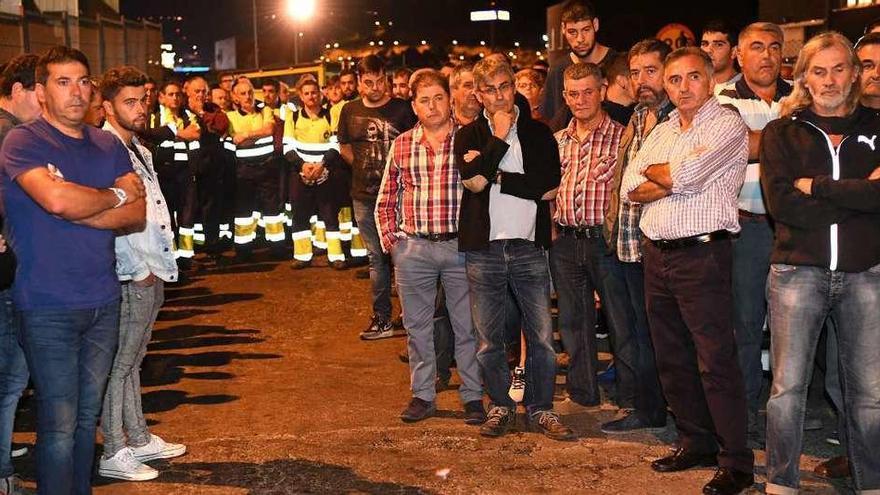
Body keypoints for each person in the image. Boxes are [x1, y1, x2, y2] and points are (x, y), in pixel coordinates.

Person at [0, 45, 146, 495]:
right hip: (47, 306)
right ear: (41, 92)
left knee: (87, 421)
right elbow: (57, 201)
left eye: (83, 81)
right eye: (62, 82)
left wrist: (89, 202)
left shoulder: (107, 143)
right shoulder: (24, 141)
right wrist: (111, 195)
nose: (76, 92)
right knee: (59, 424)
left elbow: (136, 214)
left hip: (103, 300)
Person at [621, 47, 753, 495]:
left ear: (710, 78)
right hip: (657, 255)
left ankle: (736, 460)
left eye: (692, 77)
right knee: (672, 356)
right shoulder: (664, 128)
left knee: (715, 360)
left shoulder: (727, 124)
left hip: (703, 256)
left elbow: (689, 175)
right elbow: (629, 185)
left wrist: (666, 177)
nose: (682, 88)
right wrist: (669, 177)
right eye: (674, 80)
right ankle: (694, 440)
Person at [761, 31, 880, 495]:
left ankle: (872, 481)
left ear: (854, 74)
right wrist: (861, 196)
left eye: (838, 69)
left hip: (866, 273)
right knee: (787, 389)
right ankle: (781, 481)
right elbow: (783, 205)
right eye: (818, 71)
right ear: (804, 78)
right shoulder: (781, 133)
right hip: (797, 272)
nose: (829, 80)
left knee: (870, 393)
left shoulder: (878, 125)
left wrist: (819, 187)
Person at [454, 57, 573, 441]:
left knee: (540, 337)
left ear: (514, 86)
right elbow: (472, 184)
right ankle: (502, 407)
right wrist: (499, 139)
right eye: (489, 89)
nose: (499, 95)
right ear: (478, 93)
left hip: (528, 247)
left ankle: (541, 408)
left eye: (504, 86)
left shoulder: (539, 133)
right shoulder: (468, 134)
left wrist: (496, 173)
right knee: (488, 340)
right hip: (484, 250)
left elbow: (548, 186)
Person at [375, 69, 485, 425]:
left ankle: (472, 396)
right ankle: (423, 395)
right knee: (418, 329)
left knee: (466, 327)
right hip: (414, 250)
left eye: (439, 98)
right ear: (414, 105)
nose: (433, 106)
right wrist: (394, 245)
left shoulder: (468, 138)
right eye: (424, 100)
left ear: (449, 100)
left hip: (459, 248)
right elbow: (386, 199)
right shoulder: (403, 144)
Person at [95, 66, 186, 482]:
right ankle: (114, 448)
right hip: (135, 271)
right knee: (121, 361)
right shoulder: (106, 149)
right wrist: (138, 269)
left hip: (153, 265)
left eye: (142, 100)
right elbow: (115, 217)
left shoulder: (138, 150)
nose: (140, 109)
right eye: (129, 102)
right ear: (107, 106)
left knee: (135, 359)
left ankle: (138, 435)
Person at [715, 21, 790, 448]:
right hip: (745, 228)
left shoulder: (801, 93)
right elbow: (736, 147)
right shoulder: (721, 98)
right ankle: (744, 416)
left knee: (790, 327)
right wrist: (789, 138)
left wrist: (762, 141)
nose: (766, 55)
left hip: (794, 229)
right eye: (756, 47)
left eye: (774, 47)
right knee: (743, 325)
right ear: (739, 55)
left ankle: (784, 416)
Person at [599, 38, 672, 435]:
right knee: (636, 333)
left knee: (658, 335)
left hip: (657, 246)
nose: (642, 80)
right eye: (635, 71)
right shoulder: (638, 116)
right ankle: (647, 407)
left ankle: (661, 410)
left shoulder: (674, 119)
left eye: (651, 70)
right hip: (626, 244)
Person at [550, 62, 624, 408]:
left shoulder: (622, 137)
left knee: (620, 320)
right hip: (565, 241)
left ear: (603, 91)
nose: (580, 100)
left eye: (588, 92)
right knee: (573, 322)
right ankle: (582, 392)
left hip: (604, 241)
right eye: (573, 94)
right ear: (565, 96)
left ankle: (631, 394)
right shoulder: (556, 142)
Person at [337, 55, 416, 340]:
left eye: (380, 81)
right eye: (368, 82)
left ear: (387, 78)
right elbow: (344, 146)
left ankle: (409, 319)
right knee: (376, 259)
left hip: (399, 195)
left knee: (403, 258)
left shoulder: (403, 110)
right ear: (359, 82)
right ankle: (382, 318)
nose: (374, 87)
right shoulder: (349, 110)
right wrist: (362, 167)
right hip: (363, 196)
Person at [0, 52, 40, 495]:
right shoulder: (8, 134)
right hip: (7, 273)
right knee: (10, 376)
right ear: (18, 91)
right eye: (39, 93)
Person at [284, 76, 347, 269]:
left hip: (325, 173)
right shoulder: (293, 117)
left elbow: (336, 145)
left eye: (314, 92)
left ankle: (336, 256)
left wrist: (322, 166)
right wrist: (302, 167)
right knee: (300, 215)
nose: (311, 96)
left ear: (320, 94)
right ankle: (302, 256)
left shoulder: (330, 116)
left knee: (329, 214)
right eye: (307, 93)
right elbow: (287, 147)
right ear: (301, 97)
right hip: (300, 173)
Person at [139, 80, 201, 264]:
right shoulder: (153, 116)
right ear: (162, 97)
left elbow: (195, 133)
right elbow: (148, 134)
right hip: (163, 173)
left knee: (187, 216)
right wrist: (179, 132)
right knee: (166, 216)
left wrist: (167, 133)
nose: (175, 98)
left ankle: (186, 257)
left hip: (186, 173)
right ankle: (171, 257)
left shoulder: (188, 115)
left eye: (177, 94)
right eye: (171, 94)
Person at [225, 79, 286, 259]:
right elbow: (232, 139)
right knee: (244, 212)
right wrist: (253, 135)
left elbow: (268, 130)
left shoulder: (265, 110)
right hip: (244, 171)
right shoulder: (230, 117)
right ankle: (244, 251)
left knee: (272, 211)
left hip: (267, 168)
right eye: (242, 93)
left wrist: (245, 135)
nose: (248, 97)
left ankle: (277, 248)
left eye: (250, 92)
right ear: (234, 97)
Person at [542, 0, 616, 131]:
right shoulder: (557, 70)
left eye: (586, 30)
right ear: (563, 29)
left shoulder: (617, 63)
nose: (580, 39)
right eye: (572, 32)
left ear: (595, 25)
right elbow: (550, 120)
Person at [700, 20, 741, 91]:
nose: (708, 50)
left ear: (733, 52)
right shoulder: (696, 87)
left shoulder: (747, 88)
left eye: (718, 45)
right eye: (705, 44)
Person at [601, 53, 636, 126]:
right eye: (635, 75)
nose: (642, 81)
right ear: (622, 81)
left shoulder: (640, 111)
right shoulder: (601, 118)